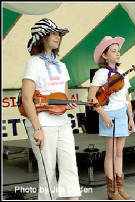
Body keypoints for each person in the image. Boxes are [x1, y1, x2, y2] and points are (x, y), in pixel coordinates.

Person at [22, 18, 81, 200]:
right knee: (47, 172)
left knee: (70, 165)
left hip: (62, 123)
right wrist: (37, 128)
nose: (58, 37)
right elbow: (26, 98)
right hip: (43, 124)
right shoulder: (34, 63)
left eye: (59, 35)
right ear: (43, 37)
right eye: (54, 34)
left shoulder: (61, 65)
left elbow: (61, 99)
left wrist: (67, 105)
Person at [88, 36, 135, 200]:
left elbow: (127, 98)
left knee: (120, 153)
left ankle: (120, 187)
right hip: (108, 113)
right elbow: (91, 98)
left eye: (118, 51)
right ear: (105, 55)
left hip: (122, 113)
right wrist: (104, 115)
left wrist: (131, 118)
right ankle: (111, 189)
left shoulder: (123, 73)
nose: (117, 54)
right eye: (113, 51)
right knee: (111, 153)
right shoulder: (101, 73)